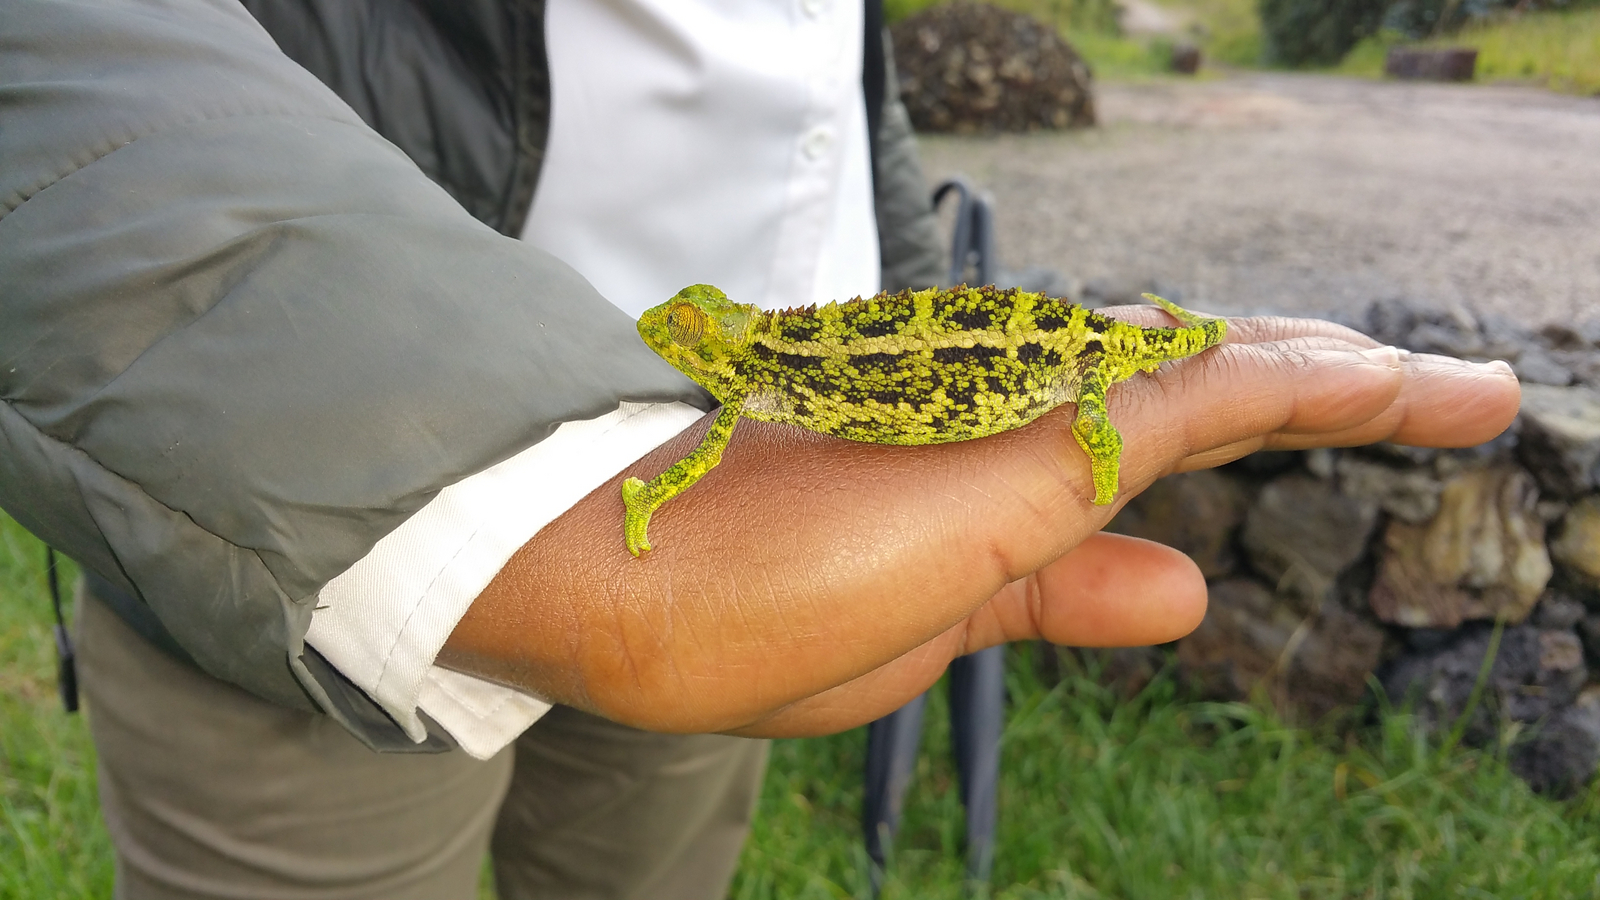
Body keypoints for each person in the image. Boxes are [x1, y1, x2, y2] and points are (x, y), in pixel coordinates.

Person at [0, 0, 1521, 897]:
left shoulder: (737, 393)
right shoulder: (719, 387)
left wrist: (926, 295)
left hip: (785, 512)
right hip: (317, 478)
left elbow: (827, 90)